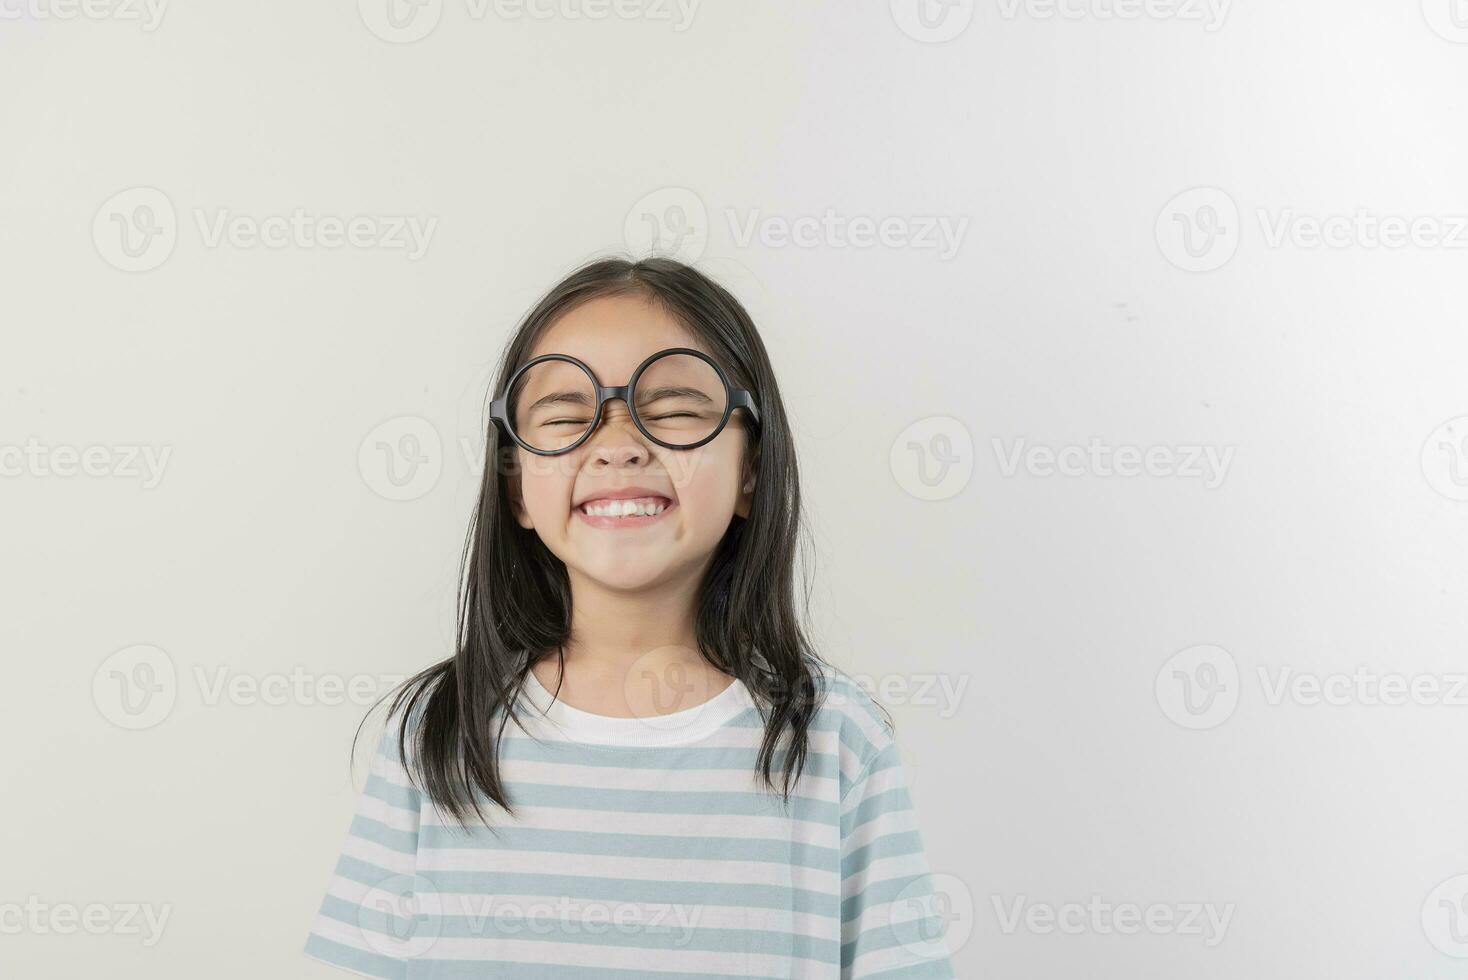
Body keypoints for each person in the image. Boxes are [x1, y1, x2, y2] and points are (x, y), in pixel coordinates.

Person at [303, 255, 956, 978]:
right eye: (565, 417)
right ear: (515, 486)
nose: (617, 446)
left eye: (674, 410)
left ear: (750, 471)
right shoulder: (437, 728)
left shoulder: (837, 741)